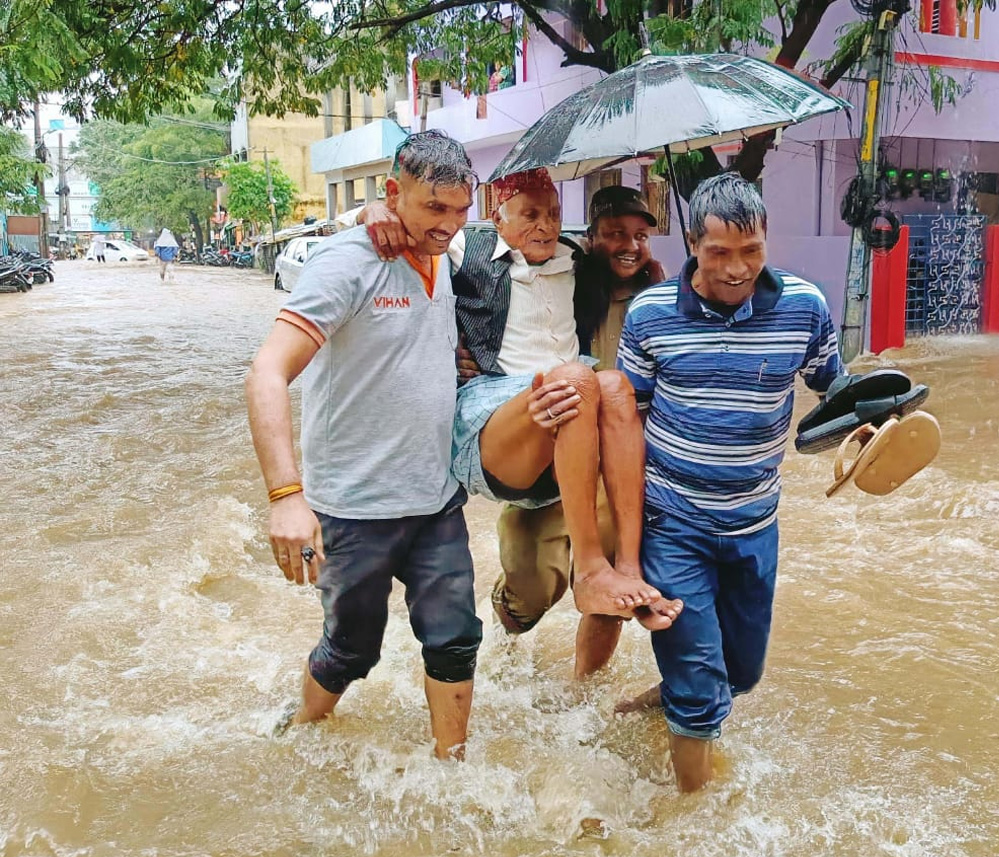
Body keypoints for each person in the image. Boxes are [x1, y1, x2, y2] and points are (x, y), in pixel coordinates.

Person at [359, 170, 683, 663]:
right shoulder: (467, 249)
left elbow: (633, 266)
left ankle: (618, 575)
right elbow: (405, 232)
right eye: (529, 215)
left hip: (591, 426)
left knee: (611, 384)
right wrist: (374, 212)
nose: (545, 226)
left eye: (553, 214)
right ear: (498, 217)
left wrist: (653, 278)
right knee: (529, 593)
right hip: (506, 408)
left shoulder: (595, 268)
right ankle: (512, 633)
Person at [244, 131, 482, 760]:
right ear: (393, 193)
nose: (450, 225)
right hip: (352, 506)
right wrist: (286, 498)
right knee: (353, 647)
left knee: (455, 637)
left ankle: (451, 767)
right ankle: (303, 729)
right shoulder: (346, 262)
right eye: (435, 208)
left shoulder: (453, 256)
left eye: (461, 210)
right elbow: (266, 373)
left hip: (435, 499)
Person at [617, 173, 844, 792]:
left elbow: (836, 393)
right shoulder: (650, 315)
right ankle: (693, 821)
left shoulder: (805, 307)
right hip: (674, 525)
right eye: (719, 252)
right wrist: (623, 547)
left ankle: (667, 695)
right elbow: (623, 426)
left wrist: (880, 425)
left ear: (767, 241)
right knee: (701, 692)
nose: (737, 268)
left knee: (740, 674)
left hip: (754, 526)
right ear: (692, 242)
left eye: (752, 251)